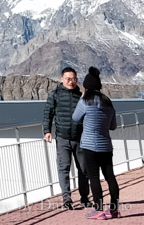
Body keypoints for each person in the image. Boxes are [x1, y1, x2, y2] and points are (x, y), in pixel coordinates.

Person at [72, 66, 119, 219]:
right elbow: (113, 126)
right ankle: (114, 208)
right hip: (106, 145)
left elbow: (75, 118)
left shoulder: (84, 101)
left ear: (86, 86)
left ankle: (99, 210)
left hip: (89, 146)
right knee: (110, 177)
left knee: (94, 177)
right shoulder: (108, 102)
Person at [44, 66, 91, 209]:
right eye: (68, 79)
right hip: (62, 138)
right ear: (62, 79)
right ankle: (67, 198)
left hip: (80, 138)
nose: (71, 81)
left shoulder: (81, 96)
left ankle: (84, 198)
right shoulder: (55, 95)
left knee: (83, 169)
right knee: (63, 168)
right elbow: (48, 113)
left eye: (74, 79)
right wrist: (47, 130)